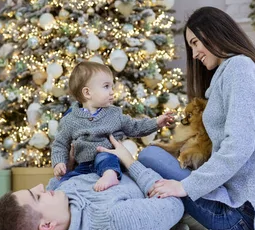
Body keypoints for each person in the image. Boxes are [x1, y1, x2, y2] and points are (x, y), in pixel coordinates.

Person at [128, 6, 255, 230]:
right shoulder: (234, 71)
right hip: (236, 206)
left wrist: (184, 186)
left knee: (149, 156)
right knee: (156, 158)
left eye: (195, 43)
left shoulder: (239, 68)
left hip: (237, 215)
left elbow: (239, 146)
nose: (193, 54)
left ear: (213, 33)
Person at [0, 136, 184, 230]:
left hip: (125, 164)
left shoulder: (60, 199)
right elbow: (175, 204)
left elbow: (57, 182)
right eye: (37, 197)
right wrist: (129, 161)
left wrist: (72, 162)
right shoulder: (118, 223)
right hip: (169, 182)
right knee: (151, 155)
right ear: (47, 225)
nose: (41, 186)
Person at [51, 61, 175, 192]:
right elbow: (60, 144)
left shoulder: (114, 113)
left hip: (108, 157)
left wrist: (156, 123)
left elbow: (135, 126)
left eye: (111, 86)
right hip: (83, 165)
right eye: (106, 87)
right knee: (64, 183)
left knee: (105, 158)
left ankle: (110, 175)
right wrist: (59, 162)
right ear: (87, 93)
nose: (112, 92)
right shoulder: (70, 120)